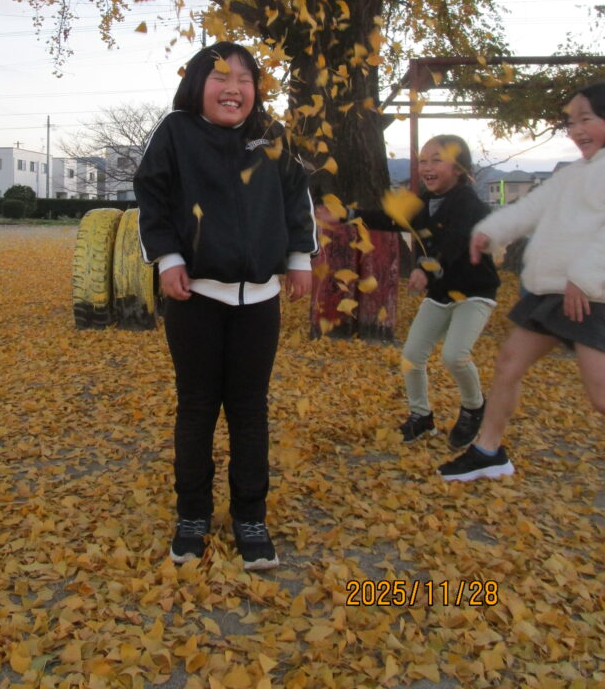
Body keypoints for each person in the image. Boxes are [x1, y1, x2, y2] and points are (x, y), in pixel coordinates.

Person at [134, 42, 317, 570]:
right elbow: (151, 195)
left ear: (255, 89)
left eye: (244, 78)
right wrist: (168, 258)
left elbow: (296, 197)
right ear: (197, 85)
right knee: (196, 407)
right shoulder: (175, 131)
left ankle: (250, 516)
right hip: (195, 298)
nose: (233, 88)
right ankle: (192, 514)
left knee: (249, 409)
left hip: (259, 302)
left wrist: (299, 258)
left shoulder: (272, 135)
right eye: (219, 77)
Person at [439, 82, 605, 481]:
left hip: (591, 295)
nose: (576, 129)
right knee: (509, 363)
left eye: (586, 119)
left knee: (601, 395)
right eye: (571, 122)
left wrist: (584, 278)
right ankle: (489, 451)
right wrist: (490, 231)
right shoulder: (573, 175)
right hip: (551, 291)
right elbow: (531, 208)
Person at [350, 135, 499, 448]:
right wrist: (348, 215)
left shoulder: (468, 203)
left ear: (458, 168)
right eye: (422, 161)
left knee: (454, 355)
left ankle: (474, 408)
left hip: (474, 292)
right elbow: (393, 219)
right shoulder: (424, 201)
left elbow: (456, 241)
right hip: (441, 293)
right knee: (411, 357)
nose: (427, 167)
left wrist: (426, 268)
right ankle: (421, 417)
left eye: (436, 160)